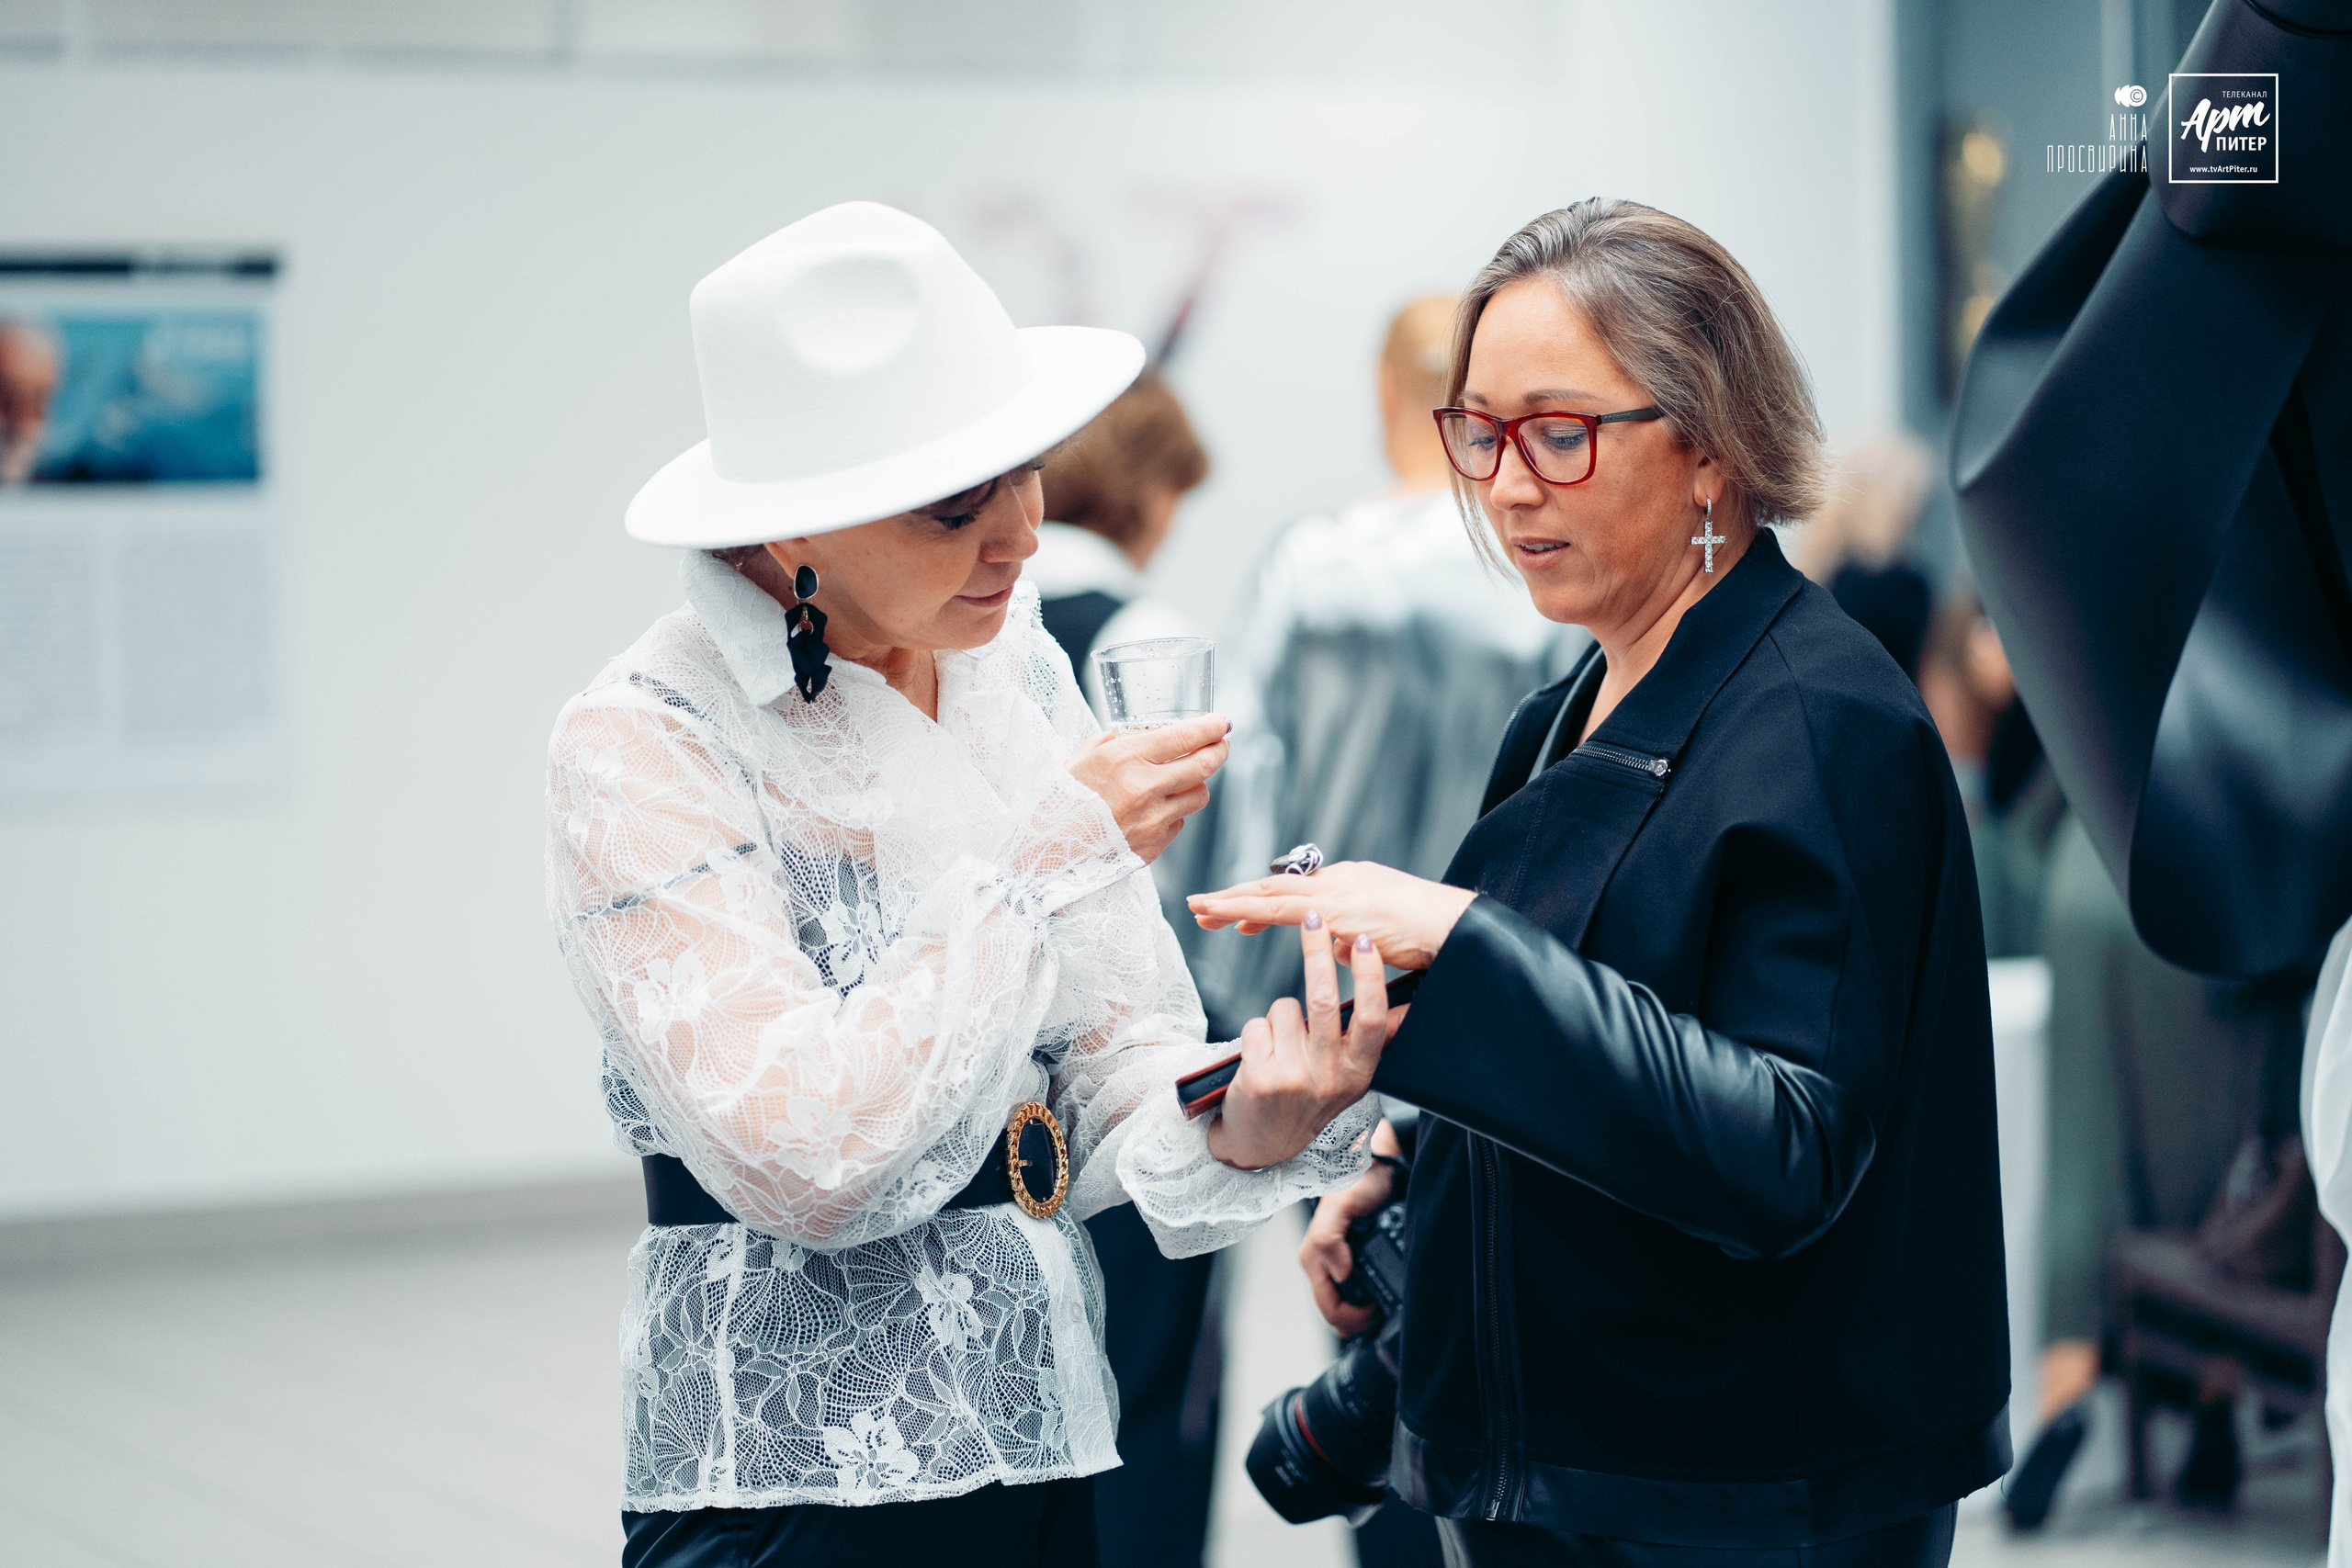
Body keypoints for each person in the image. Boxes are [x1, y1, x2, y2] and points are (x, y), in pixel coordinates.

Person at [544, 202, 1391, 1568]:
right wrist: (1052, 853)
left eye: (1026, 475)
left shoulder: (1011, 670)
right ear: (791, 522)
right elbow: (805, 1151)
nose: (1021, 538)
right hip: (791, 1482)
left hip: (1041, 1425)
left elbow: (1109, 1056)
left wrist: (1248, 1111)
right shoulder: (648, 737)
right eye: (955, 506)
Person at [1190, 199, 2011, 1565]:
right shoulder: (1567, 706)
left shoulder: (1821, 719)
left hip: (1731, 1498)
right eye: (1481, 432)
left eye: (1559, 433)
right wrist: (1405, 1161)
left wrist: (1463, 940)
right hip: (1560, 1480)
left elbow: (1784, 1146)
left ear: (1708, 447)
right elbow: (1601, 1042)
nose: (1507, 485)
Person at [1196, 293, 1587, 1041]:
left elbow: (1238, 766)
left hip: (1311, 998)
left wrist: (1213, 986)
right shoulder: (1540, 575)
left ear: (1383, 391)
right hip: (1493, 989)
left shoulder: (1309, 564)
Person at [1029, 372, 1226, 1568]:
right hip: (1127, 1060)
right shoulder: (1144, 630)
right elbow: (1197, 869)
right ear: (1146, 490)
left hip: (992, 1072)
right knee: (1150, 1392)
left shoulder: (947, 638)